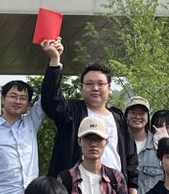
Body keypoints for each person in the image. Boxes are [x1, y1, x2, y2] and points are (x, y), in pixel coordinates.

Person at [39, 37, 131, 181]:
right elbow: (51, 100)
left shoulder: (118, 118)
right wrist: (55, 60)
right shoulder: (72, 112)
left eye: (100, 84)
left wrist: (132, 192)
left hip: (113, 187)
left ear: (109, 87)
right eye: (89, 84)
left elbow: (130, 158)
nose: (95, 88)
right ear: (81, 88)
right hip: (77, 186)